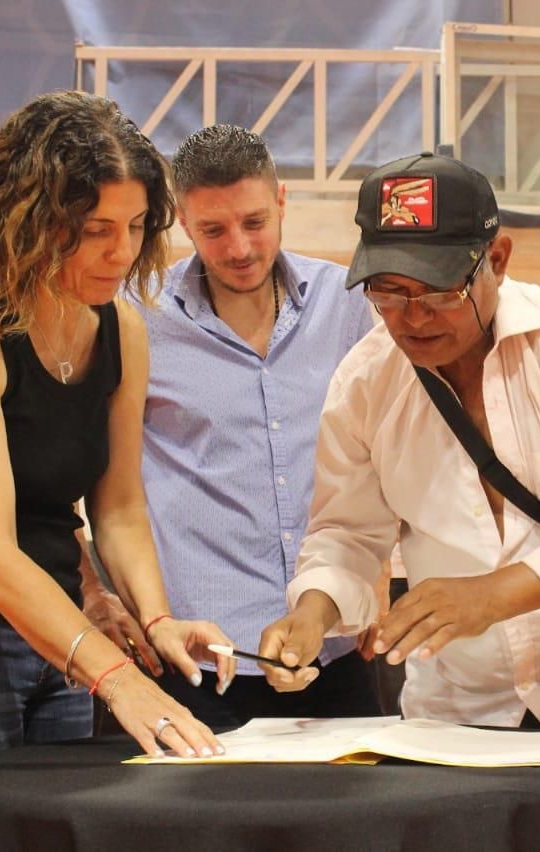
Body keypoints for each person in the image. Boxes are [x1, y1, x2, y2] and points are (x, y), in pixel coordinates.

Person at [255, 152, 540, 851]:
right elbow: (346, 535)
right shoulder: (365, 383)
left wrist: (493, 595)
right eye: (388, 292)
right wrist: (313, 612)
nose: (412, 317)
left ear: (499, 260)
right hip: (457, 725)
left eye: (437, 290)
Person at [0, 91, 235, 851]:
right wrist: (117, 679)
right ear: (27, 218)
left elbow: (118, 506)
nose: (121, 252)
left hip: (57, 637)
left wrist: (156, 620)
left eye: (136, 227)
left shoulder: (120, 327)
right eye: (95, 230)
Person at [106, 124, 378, 726]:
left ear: (282, 201)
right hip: (200, 658)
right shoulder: (136, 315)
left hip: (332, 646)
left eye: (255, 222)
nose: (239, 248)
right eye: (213, 230)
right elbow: (111, 490)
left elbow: (385, 454)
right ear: (182, 221)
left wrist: (373, 578)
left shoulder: (345, 303)